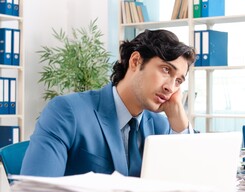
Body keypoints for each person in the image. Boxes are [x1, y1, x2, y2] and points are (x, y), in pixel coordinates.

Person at [20, 29, 196, 177]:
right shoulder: (67, 112)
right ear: (136, 61)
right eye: (166, 70)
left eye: (178, 81)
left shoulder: (162, 127)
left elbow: (189, 189)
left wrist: (180, 121)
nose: (170, 87)